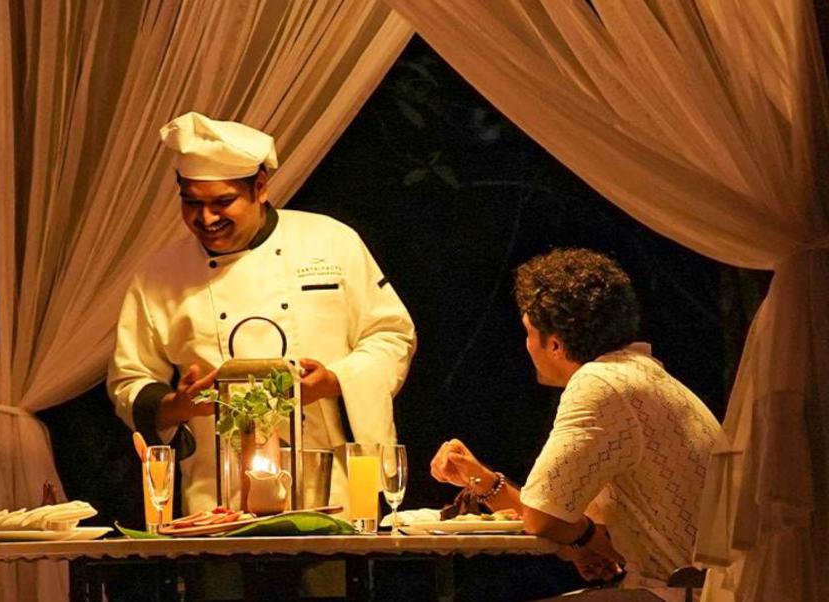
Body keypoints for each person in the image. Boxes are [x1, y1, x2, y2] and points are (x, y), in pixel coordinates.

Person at [108, 112, 417, 514]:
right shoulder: (159, 275)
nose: (206, 218)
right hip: (216, 495)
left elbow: (392, 335)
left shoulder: (331, 242)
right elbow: (130, 378)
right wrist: (178, 405)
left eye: (222, 202)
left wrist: (334, 380)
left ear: (260, 187)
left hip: (334, 484)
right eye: (192, 203)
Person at [430, 248, 720, 601]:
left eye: (528, 332)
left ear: (555, 344)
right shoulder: (639, 373)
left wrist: (583, 539)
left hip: (677, 593)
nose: (526, 346)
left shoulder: (600, 383)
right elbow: (560, 515)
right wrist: (481, 480)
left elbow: (542, 518)